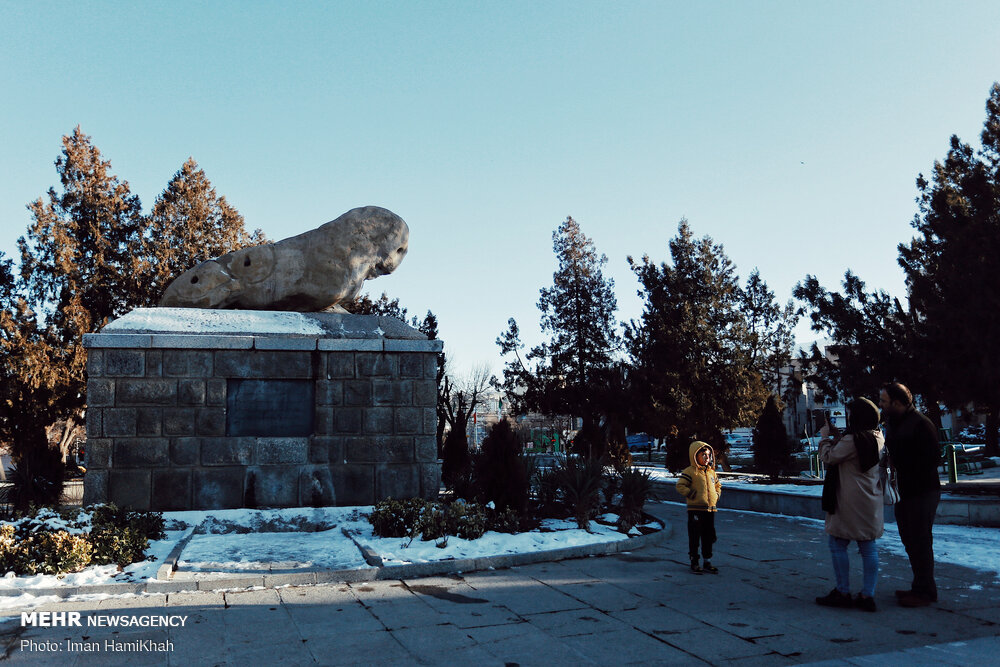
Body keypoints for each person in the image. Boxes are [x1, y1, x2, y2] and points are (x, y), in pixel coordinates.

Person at [815, 398, 886, 612]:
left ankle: (843, 591)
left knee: (837, 543)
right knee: (868, 545)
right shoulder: (877, 435)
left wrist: (825, 438)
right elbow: (854, 453)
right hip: (870, 498)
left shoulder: (853, 439)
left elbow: (829, 457)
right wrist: (840, 436)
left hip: (849, 499)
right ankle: (868, 594)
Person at [879, 382, 941, 607]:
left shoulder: (921, 424)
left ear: (897, 403)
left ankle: (926, 591)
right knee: (909, 540)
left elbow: (932, 459)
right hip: (904, 491)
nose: (881, 405)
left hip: (922, 491)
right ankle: (919, 586)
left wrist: (901, 464)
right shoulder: (896, 423)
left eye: (884, 402)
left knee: (920, 541)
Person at [676, 441, 722, 574]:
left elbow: (718, 486)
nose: (707, 458)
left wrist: (716, 495)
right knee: (695, 536)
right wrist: (691, 494)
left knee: (709, 535)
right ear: (695, 456)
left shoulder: (711, 472)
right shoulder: (691, 472)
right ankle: (694, 561)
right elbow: (680, 486)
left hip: (710, 509)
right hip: (696, 510)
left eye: (708, 455)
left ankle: (707, 560)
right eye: (703, 455)